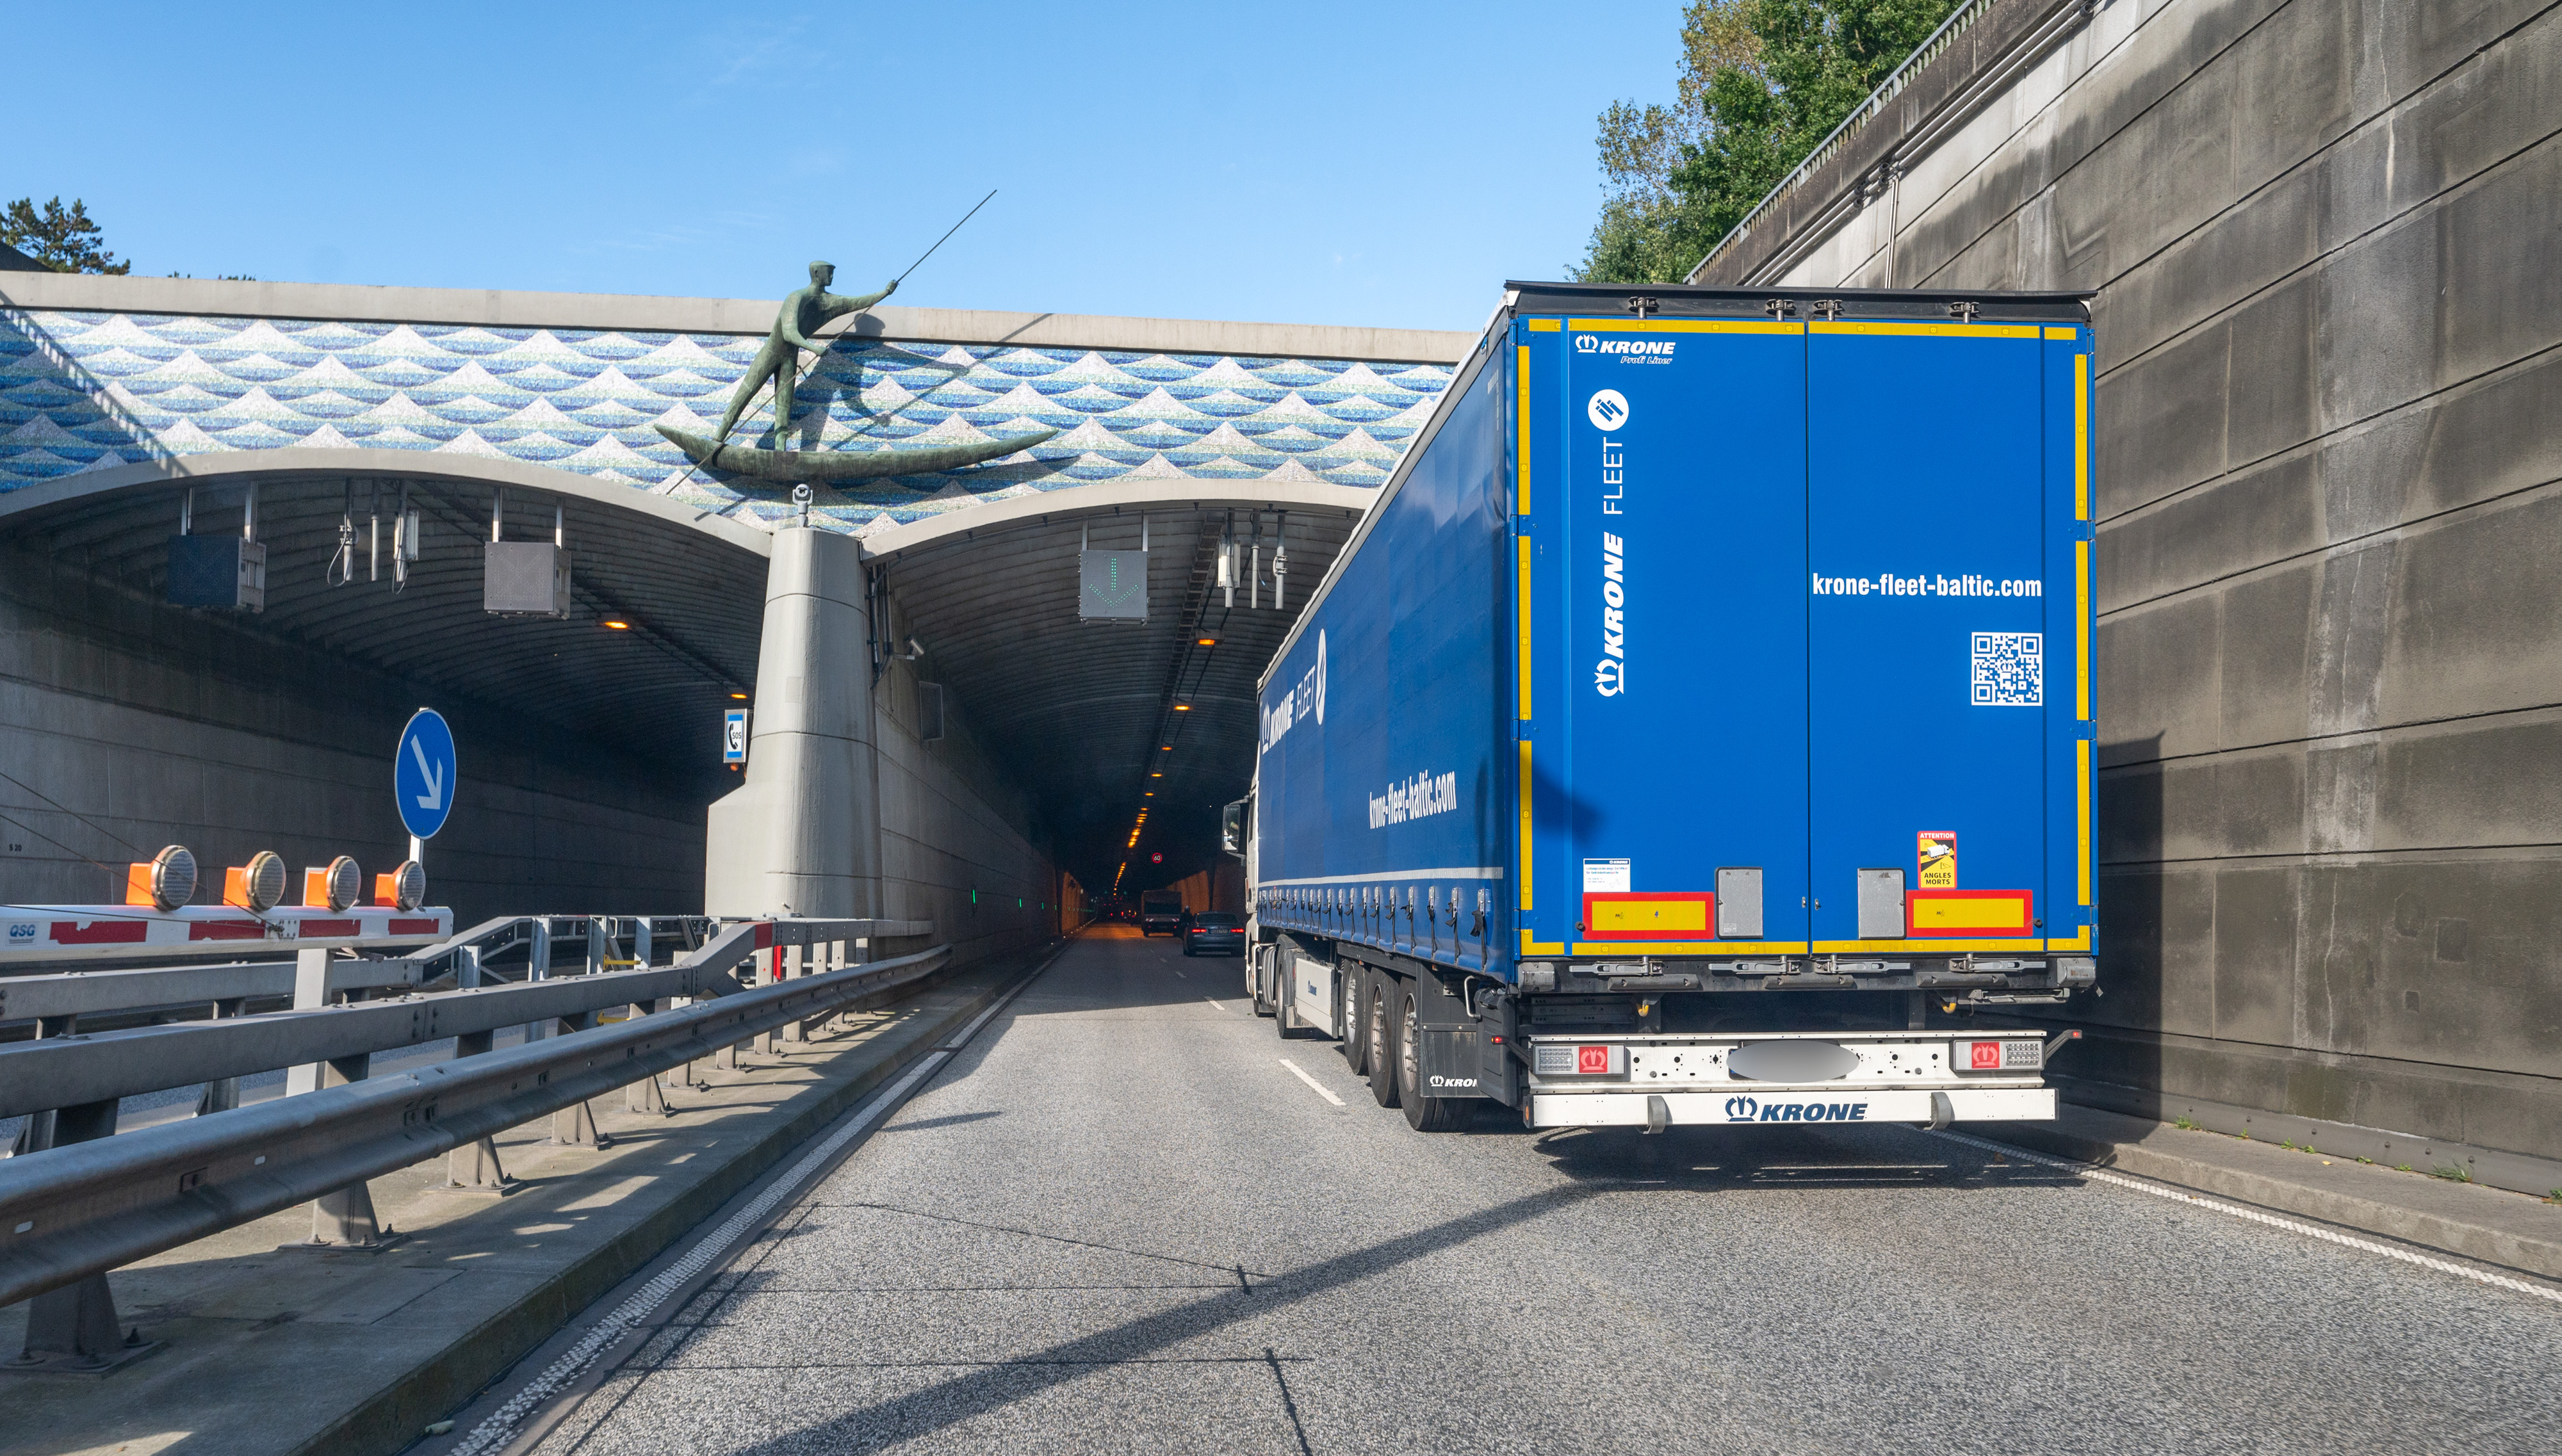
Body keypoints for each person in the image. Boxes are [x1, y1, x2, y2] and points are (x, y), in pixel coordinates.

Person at [710, 261, 895, 444]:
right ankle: (718, 437)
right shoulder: (796, 298)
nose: (832, 276)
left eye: (833, 273)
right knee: (746, 392)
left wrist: (885, 293)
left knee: (784, 407)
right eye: (828, 272)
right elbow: (789, 333)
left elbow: (857, 302)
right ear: (816, 272)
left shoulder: (829, 302)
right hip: (771, 353)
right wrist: (814, 348)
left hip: (790, 357)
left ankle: (780, 453)